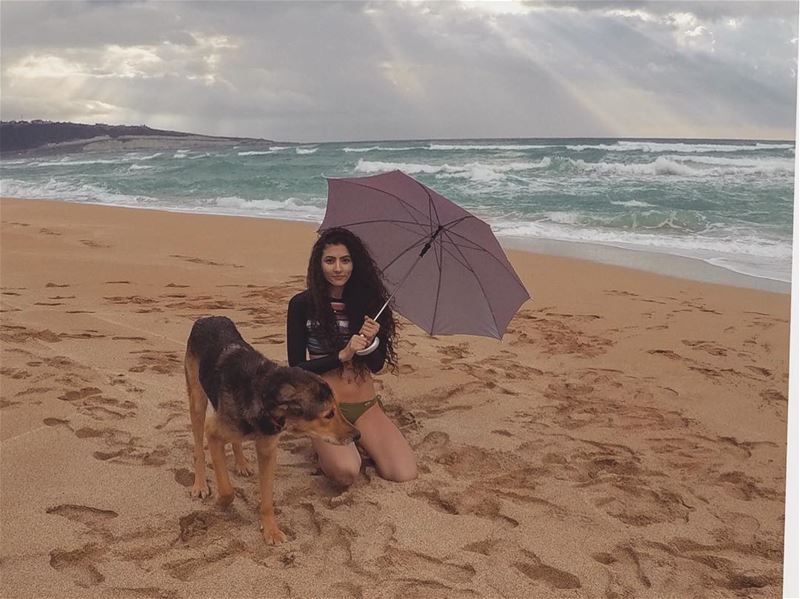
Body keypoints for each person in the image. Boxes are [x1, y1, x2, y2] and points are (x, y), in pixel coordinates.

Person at [286, 227, 417, 486]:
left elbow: (377, 366)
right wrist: (342, 355)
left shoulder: (370, 305)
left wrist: (370, 343)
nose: (338, 268)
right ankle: (324, 444)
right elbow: (296, 369)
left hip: (365, 405)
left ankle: (356, 442)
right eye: (330, 260)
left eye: (345, 260)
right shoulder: (302, 305)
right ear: (318, 265)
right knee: (346, 473)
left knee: (403, 473)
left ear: (355, 264)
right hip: (325, 407)